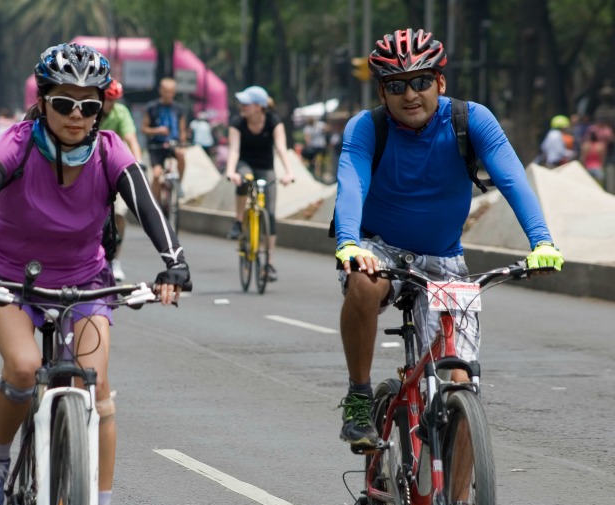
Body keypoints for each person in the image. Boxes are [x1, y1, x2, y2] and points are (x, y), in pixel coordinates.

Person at [0, 43, 190, 505]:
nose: (76, 116)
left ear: (102, 107)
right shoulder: (14, 144)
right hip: (12, 280)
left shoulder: (110, 150)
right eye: (63, 103)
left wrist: (175, 261)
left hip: (85, 282)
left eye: (89, 105)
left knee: (94, 391)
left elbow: (146, 203)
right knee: (26, 366)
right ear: (43, 102)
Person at [333, 28, 564, 448]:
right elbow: (351, 186)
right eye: (396, 85)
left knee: (460, 384)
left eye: (421, 81)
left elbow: (513, 180)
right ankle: (360, 397)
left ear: (440, 81)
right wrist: (348, 242)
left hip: (444, 259)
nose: (410, 94)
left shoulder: (470, 119)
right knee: (363, 281)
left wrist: (542, 242)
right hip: (380, 248)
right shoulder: (366, 128)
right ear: (382, 93)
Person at [223, 85, 295, 282]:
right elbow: (234, 150)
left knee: (270, 213)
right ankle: (238, 221)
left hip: (266, 167)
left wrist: (288, 172)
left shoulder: (273, 121)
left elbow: (281, 148)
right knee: (244, 180)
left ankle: (269, 263)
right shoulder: (238, 122)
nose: (242, 106)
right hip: (245, 164)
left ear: (259, 106)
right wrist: (231, 171)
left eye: (246, 103)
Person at [98, 78, 145, 282]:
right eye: (107, 99)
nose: (110, 105)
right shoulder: (89, 111)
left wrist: (139, 162)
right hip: (87, 170)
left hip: (113, 170)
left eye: (114, 100)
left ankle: (115, 258)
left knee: (120, 212)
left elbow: (131, 139)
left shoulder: (121, 113)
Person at [142, 77, 188, 202]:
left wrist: (182, 144)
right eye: (166, 91)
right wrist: (157, 130)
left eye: (171, 91)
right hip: (156, 146)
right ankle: (155, 204)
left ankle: (178, 183)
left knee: (181, 155)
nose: (169, 94)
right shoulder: (152, 107)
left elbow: (182, 130)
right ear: (161, 91)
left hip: (173, 144)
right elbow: (144, 129)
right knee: (157, 175)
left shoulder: (179, 109)